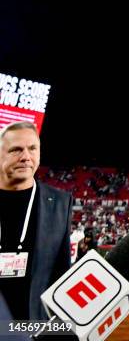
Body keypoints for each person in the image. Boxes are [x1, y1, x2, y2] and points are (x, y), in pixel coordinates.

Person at [0, 121, 73, 320]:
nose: (26, 157)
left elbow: (61, 273)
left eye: (32, 148)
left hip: (32, 325)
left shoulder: (59, 203)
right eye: (16, 150)